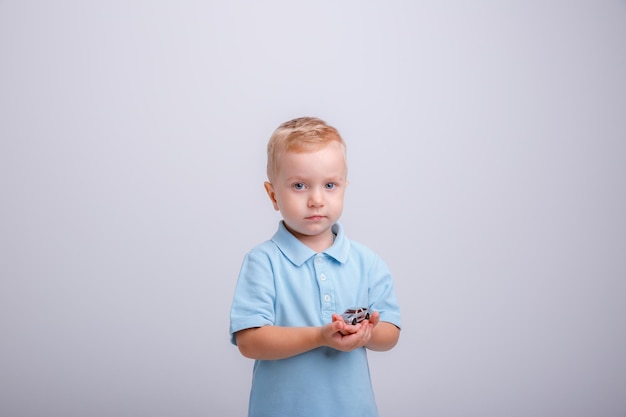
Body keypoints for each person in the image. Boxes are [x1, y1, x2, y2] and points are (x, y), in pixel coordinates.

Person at [229, 117, 401, 417]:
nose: (316, 200)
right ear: (273, 195)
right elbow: (250, 340)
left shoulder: (366, 261)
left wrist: (366, 334)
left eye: (330, 185)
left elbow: (391, 332)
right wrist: (319, 337)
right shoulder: (264, 262)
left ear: (344, 188)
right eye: (299, 185)